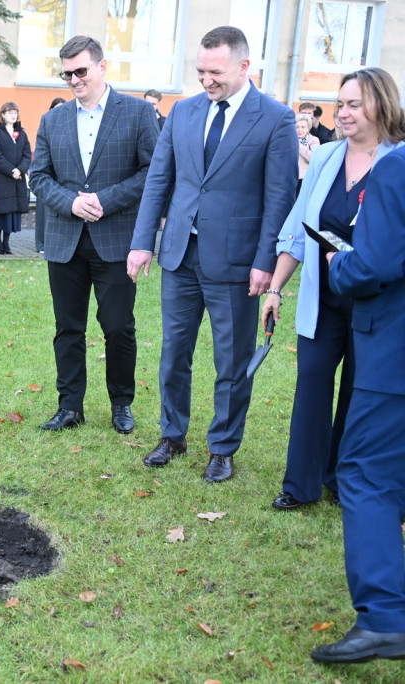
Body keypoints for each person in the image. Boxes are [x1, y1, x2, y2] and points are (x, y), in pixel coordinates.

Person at [127, 26, 298, 482]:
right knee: (173, 353)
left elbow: (279, 198)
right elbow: (160, 181)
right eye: (200, 71)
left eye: (215, 72)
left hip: (239, 263)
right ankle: (172, 435)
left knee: (232, 360)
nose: (206, 80)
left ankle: (222, 447)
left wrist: (266, 262)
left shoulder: (276, 118)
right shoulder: (182, 113)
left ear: (244, 66)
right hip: (180, 256)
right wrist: (143, 241)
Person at [262, 68, 405, 513]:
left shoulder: (397, 163)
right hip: (324, 297)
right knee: (312, 385)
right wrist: (276, 287)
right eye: (340, 104)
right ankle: (300, 484)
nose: (343, 113)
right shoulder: (325, 158)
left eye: (354, 105)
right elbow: (301, 227)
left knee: (360, 392)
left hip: (377, 304)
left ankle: (343, 478)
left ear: (382, 104)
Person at [30, 35, 159, 435]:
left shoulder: (138, 114)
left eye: (81, 71)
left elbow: (152, 173)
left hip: (116, 240)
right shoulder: (53, 120)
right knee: (68, 328)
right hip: (65, 240)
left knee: (118, 325)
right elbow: (38, 176)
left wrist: (107, 199)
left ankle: (121, 403)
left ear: (103, 67)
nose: (74, 80)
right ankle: (70, 406)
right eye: (66, 73)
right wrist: (70, 202)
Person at [311, 152, 405, 666]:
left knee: (365, 476)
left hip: (394, 352)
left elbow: (376, 265)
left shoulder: (396, 169)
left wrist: (338, 264)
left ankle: (385, 619)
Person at [0, 101, 32, 256]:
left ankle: (7, 243)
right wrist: (11, 170)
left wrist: (20, 169)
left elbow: (27, 154)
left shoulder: (22, 134)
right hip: (1, 180)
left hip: (17, 179)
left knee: (12, 212)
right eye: (10, 112)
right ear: (3, 115)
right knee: (1, 212)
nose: (13, 115)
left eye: (15, 112)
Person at [34, 97, 67, 254]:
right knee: (42, 213)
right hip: (47, 178)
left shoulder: (69, 128)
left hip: (61, 179)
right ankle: (41, 243)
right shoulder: (47, 125)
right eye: (55, 108)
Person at [294, 113, 321, 195]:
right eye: (297, 127)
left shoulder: (313, 140)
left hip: (304, 180)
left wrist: (299, 146)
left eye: (303, 127)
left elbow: (314, 158)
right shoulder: (289, 140)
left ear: (308, 128)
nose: (300, 130)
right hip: (290, 178)